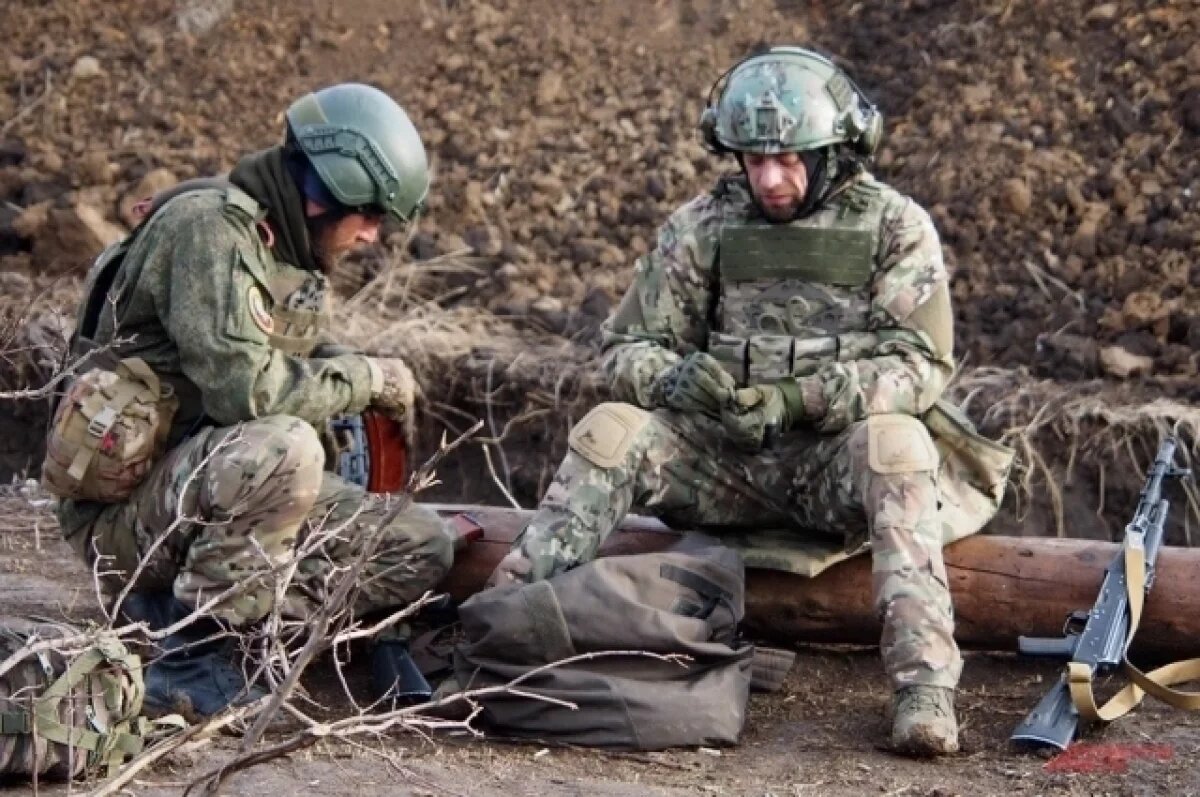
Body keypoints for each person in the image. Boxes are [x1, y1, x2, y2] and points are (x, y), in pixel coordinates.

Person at [487, 47, 1012, 756]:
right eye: (753, 159)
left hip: (830, 465)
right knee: (611, 431)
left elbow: (920, 363)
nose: (769, 178)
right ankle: (491, 624)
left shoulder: (893, 226)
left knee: (899, 445)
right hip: (721, 461)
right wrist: (674, 381)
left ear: (835, 151)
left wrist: (800, 398)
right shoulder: (702, 225)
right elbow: (625, 348)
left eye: (790, 159)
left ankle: (923, 685)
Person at [48, 83, 454, 719]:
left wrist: (354, 377)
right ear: (327, 191)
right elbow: (250, 393)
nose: (374, 236)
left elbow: (295, 356)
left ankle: (214, 618)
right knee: (283, 443)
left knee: (421, 544)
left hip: (208, 497)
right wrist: (367, 377)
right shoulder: (210, 231)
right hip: (127, 515)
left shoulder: (287, 253)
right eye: (370, 215)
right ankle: (195, 658)